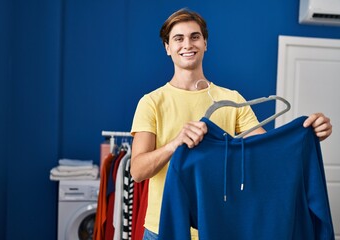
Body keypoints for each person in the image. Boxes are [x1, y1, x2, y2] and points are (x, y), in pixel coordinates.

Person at [130, 8, 333, 240]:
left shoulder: (232, 100)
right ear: (168, 48)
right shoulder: (151, 103)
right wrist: (175, 144)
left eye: (195, 36)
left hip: (216, 228)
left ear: (205, 43)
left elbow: (264, 149)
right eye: (178, 38)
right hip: (162, 228)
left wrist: (306, 135)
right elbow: (137, 171)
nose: (188, 44)